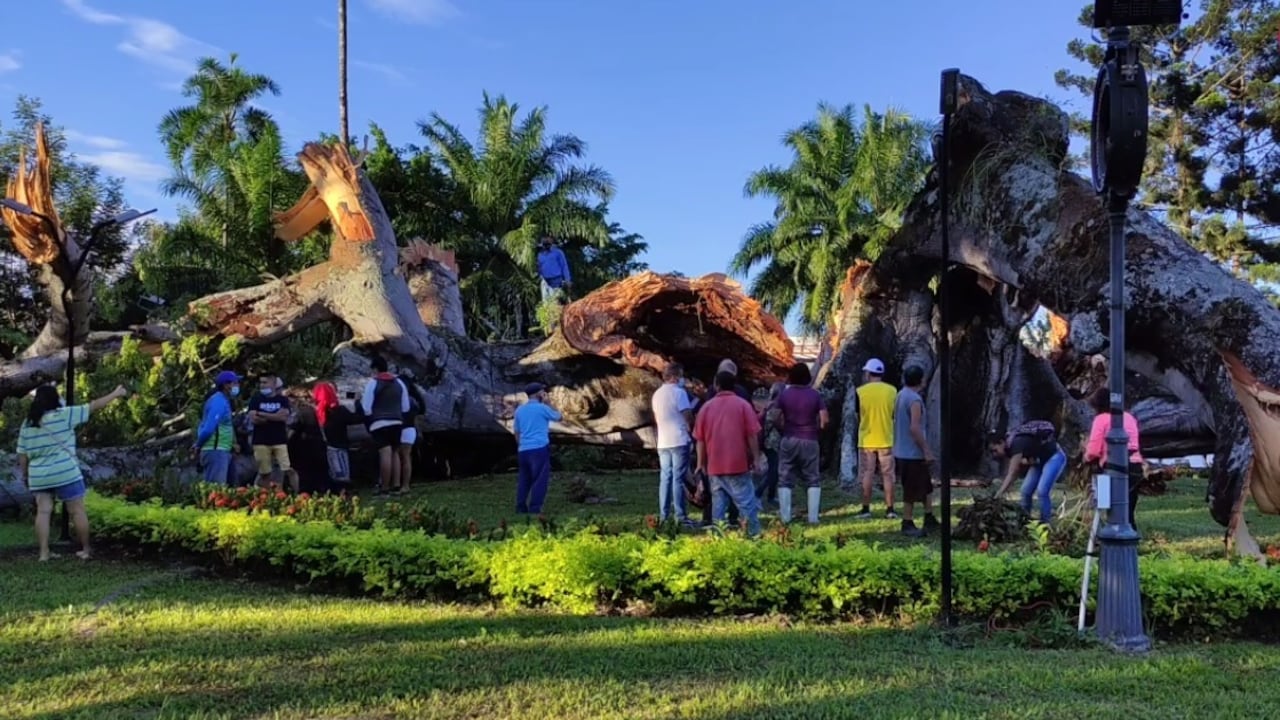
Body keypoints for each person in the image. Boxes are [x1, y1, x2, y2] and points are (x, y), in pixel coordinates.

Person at [16, 383, 130, 561]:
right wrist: (116, 393)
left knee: (43, 512)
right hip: (66, 471)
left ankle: (44, 553)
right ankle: (85, 549)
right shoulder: (64, 415)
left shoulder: (28, 423)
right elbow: (93, 405)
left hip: (39, 475)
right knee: (77, 511)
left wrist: (25, 475)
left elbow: (22, 455)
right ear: (55, 399)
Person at [693, 371, 764, 537]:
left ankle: (718, 537)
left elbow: (700, 440)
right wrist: (756, 458)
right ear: (735, 386)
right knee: (746, 502)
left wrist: (700, 464)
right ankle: (752, 534)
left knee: (718, 504)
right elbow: (752, 435)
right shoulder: (743, 406)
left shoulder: (706, 408)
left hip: (714, 466)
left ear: (716, 385)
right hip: (737, 464)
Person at [1083, 388, 1145, 528]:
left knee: (1114, 510)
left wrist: (1086, 457)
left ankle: (1112, 540)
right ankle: (1131, 540)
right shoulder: (1129, 417)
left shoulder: (1101, 419)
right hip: (1135, 466)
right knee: (1128, 510)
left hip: (1114, 467)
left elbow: (1093, 450)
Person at [775, 363, 829, 525]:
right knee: (813, 478)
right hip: (810, 438)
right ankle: (813, 518)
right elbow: (825, 420)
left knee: (785, 478)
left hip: (789, 437)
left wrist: (782, 428)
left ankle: (785, 517)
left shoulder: (784, 395)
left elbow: (775, 416)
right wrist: (817, 429)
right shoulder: (815, 395)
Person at [990, 419, 1067, 524]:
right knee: (1025, 491)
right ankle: (1024, 521)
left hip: (1054, 457)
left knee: (1042, 491)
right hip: (1038, 461)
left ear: (1001, 442)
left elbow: (1013, 473)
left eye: (995, 450)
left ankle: (1045, 524)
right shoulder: (1009, 446)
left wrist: (998, 495)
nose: (994, 454)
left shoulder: (1016, 444)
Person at [893, 365, 938, 537]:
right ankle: (907, 522)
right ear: (922, 380)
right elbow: (914, 427)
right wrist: (926, 449)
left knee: (926, 486)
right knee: (911, 489)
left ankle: (929, 516)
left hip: (902, 450)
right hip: (912, 452)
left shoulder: (901, 395)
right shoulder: (915, 400)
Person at [652, 362, 695, 526]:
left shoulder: (657, 394)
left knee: (665, 478)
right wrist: (691, 427)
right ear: (675, 376)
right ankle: (681, 515)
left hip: (663, 441)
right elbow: (687, 414)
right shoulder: (679, 393)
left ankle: (664, 514)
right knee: (678, 478)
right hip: (679, 438)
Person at [855, 358, 898, 519]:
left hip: (866, 440)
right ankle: (890, 509)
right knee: (888, 475)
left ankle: (866, 509)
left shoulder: (860, 392)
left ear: (868, 373)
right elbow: (894, 414)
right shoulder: (892, 391)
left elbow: (858, 416)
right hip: (886, 438)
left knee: (867, 473)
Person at [361, 356, 410, 495]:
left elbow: (366, 407)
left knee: (385, 454)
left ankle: (384, 487)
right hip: (397, 421)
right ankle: (396, 484)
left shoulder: (373, 383)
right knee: (395, 452)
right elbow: (406, 407)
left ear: (375, 369)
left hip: (379, 422)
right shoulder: (399, 382)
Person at [514, 382, 562, 514]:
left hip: (523, 449)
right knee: (540, 478)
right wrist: (549, 402)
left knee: (524, 479)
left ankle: (520, 507)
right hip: (539, 448)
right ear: (539, 394)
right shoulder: (542, 408)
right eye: (543, 392)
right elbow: (559, 417)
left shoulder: (519, 410)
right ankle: (535, 507)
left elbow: (517, 432)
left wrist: (520, 446)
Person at [248, 375, 298, 492]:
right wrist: (275, 416)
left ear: (274, 385)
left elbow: (283, 417)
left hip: (279, 440)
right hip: (260, 441)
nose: (262, 385)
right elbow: (254, 418)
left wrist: (263, 414)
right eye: (261, 382)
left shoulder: (283, 400)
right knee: (264, 473)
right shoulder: (256, 399)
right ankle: (261, 495)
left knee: (287, 469)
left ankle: (295, 495)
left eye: (265, 382)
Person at [192, 370, 240, 486]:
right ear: (226, 385)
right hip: (215, 450)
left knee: (228, 492)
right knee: (216, 491)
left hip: (223, 449)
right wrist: (198, 445)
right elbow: (209, 428)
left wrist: (233, 444)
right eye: (235, 383)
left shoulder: (224, 401)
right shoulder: (218, 402)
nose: (237, 386)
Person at [312, 382, 355, 491]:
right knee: (342, 478)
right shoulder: (339, 410)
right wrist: (358, 403)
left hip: (323, 449)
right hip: (339, 447)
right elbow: (356, 419)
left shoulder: (315, 412)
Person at [756, 382, 786, 511]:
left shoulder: (768, 404)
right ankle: (758, 493)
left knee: (774, 469)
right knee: (773, 470)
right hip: (771, 442)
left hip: (768, 440)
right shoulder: (776, 405)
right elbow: (775, 421)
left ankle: (771, 496)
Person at [397, 370, 426, 496]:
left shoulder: (400, 398)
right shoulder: (415, 399)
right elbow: (421, 412)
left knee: (397, 457)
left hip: (400, 428)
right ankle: (406, 485)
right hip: (411, 429)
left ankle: (396, 483)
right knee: (407, 457)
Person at [536, 235, 572, 303]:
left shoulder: (558, 252)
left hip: (557, 281)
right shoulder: (540, 255)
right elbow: (539, 268)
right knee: (546, 304)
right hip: (545, 282)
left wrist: (568, 280)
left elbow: (564, 266)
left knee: (556, 302)